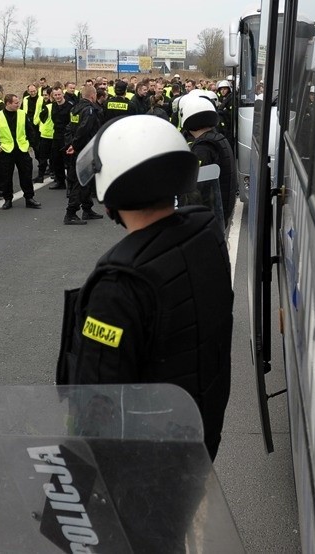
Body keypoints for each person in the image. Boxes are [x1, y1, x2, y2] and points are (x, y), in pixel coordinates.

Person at [58, 115, 233, 461]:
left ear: (115, 186)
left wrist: (69, 491)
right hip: (196, 437)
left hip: (140, 467)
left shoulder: (119, 283)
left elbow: (96, 406)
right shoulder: (204, 230)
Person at [179, 95, 235, 229]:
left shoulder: (203, 148)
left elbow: (196, 191)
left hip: (204, 222)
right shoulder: (218, 139)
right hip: (215, 218)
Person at [0, 94, 41, 210]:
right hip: (6, 150)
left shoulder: (22, 114)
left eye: (18, 102)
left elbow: (30, 131)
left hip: (22, 149)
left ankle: (29, 198)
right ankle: (8, 199)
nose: (18, 105)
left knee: (26, 175)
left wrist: (31, 144)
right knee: (6, 177)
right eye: (15, 103)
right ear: (8, 104)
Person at [63, 84, 104, 224]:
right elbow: (83, 130)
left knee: (85, 181)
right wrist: (74, 145)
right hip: (84, 149)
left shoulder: (75, 108)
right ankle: (70, 213)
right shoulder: (89, 110)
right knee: (80, 182)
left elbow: (69, 128)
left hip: (78, 148)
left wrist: (71, 144)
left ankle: (87, 209)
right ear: (93, 96)